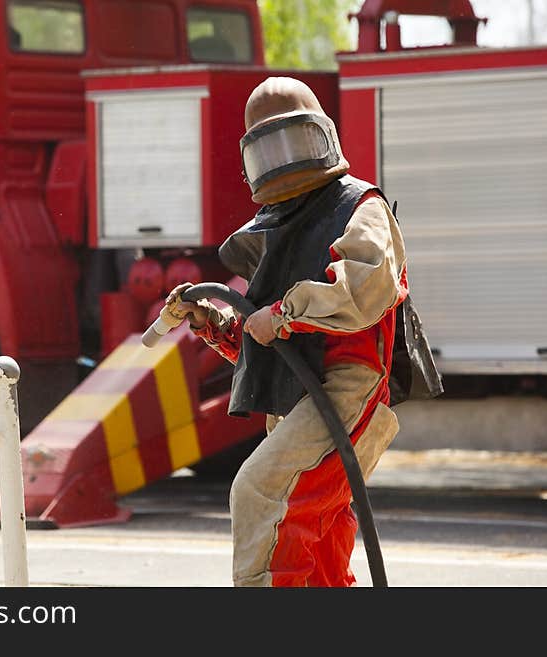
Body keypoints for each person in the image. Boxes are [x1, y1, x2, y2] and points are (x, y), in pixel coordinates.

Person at [162, 76, 408, 587]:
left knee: (260, 493)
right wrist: (218, 325)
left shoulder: (360, 207)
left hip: (348, 387)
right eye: (271, 148)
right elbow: (276, 344)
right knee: (308, 534)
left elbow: (362, 291)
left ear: (321, 137)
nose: (285, 159)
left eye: (294, 142)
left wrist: (282, 312)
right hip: (304, 395)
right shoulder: (278, 226)